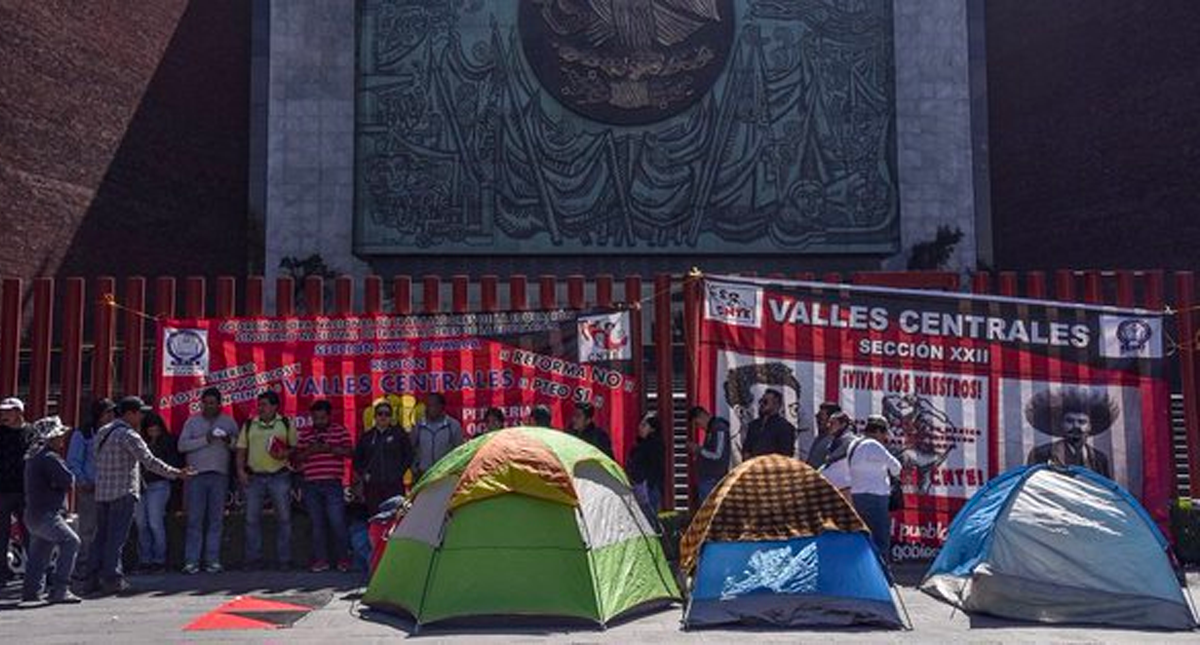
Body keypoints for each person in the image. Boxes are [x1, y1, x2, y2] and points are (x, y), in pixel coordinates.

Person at [84, 396, 191, 596]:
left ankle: (91, 578)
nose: (142, 416)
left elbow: (95, 460)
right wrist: (177, 473)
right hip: (123, 491)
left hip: (103, 492)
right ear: (129, 413)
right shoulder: (129, 435)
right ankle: (112, 578)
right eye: (139, 412)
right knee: (116, 538)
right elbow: (149, 461)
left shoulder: (102, 432)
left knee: (101, 537)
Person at [177, 387, 239, 574]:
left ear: (220, 404)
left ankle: (212, 560)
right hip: (196, 475)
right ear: (201, 403)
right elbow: (182, 446)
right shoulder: (192, 421)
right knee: (195, 519)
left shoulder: (228, 421)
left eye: (213, 403)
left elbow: (239, 446)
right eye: (206, 403)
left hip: (219, 475)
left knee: (216, 520)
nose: (209, 406)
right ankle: (191, 561)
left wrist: (228, 440)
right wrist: (206, 439)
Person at [21, 416, 82, 605]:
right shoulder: (50, 457)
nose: (62, 439)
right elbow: (68, 480)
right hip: (48, 513)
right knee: (71, 541)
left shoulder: (33, 457)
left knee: (39, 553)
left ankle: (32, 591)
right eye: (59, 436)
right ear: (50, 438)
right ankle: (60, 589)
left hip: (33, 513)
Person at [235, 390, 297, 570]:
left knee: (284, 519)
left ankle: (284, 560)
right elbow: (240, 450)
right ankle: (253, 559)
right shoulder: (249, 424)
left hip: (280, 476)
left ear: (274, 406)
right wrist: (240, 471)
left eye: (264, 405)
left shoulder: (285, 423)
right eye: (259, 404)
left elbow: (294, 449)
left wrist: (285, 453)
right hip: (255, 477)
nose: (260, 408)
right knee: (251, 520)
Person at [296, 400, 353, 573]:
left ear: (329, 416)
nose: (318, 420)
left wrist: (330, 448)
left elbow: (350, 452)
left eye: (321, 417)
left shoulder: (339, 431)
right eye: (315, 417)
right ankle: (321, 560)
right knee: (317, 523)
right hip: (311, 484)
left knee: (337, 522)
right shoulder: (305, 434)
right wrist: (311, 451)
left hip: (332, 483)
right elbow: (297, 458)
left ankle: (343, 559)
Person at [66, 398, 114, 580]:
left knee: (108, 529)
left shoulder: (116, 433)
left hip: (110, 487)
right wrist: (82, 480)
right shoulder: (84, 434)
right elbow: (74, 461)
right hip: (90, 488)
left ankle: (103, 565)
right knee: (88, 529)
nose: (110, 416)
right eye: (107, 413)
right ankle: (83, 566)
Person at [1024, 387, 1114, 478]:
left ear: (1090, 426)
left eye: (1082, 422)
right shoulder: (1042, 454)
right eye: (1070, 421)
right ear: (1061, 425)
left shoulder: (1099, 458)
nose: (1076, 426)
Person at [133, 412, 180, 573]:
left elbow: (168, 464)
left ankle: (159, 560)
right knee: (141, 523)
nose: (153, 433)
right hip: (141, 486)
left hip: (159, 485)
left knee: (155, 522)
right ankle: (145, 559)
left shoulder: (168, 442)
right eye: (150, 430)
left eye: (156, 430)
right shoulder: (139, 443)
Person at [849, 415, 902, 560]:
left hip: (858, 496)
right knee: (881, 539)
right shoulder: (873, 445)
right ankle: (885, 578)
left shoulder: (854, 444)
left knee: (864, 539)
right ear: (878, 431)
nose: (885, 437)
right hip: (875, 497)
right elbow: (897, 468)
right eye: (884, 433)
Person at [353, 399, 413, 517]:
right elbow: (357, 459)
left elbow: (409, 455)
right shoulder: (367, 437)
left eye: (387, 414)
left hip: (394, 485)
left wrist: (398, 472)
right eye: (380, 413)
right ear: (375, 417)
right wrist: (364, 474)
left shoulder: (399, 435)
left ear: (391, 417)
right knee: (375, 517)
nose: (383, 417)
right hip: (373, 487)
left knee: (395, 516)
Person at [0, 396, 31, 585]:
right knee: (1, 534)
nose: (3, 414)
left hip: (25, 490)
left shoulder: (31, 432)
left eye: (8, 411)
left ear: (19, 412)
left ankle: (35, 572)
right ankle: (2, 573)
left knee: (29, 532)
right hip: (2, 490)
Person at [411, 393, 463, 479]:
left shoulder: (453, 425)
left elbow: (459, 451)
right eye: (428, 405)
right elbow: (412, 448)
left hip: (444, 475)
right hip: (423, 474)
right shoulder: (419, 425)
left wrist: (453, 470)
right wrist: (414, 468)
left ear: (442, 406)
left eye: (434, 405)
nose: (430, 408)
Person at [687, 406, 730, 504]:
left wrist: (699, 449)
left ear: (702, 416)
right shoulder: (712, 429)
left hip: (713, 478)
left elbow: (718, 455)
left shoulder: (719, 428)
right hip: (708, 477)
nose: (699, 427)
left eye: (698, 424)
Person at [628, 413, 664, 523]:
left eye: (644, 425)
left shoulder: (654, 444)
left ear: (652, 429)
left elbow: (655, 467)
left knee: (650, 519)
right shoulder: (640, 444)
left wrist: (648, 483)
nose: (640, 428)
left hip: (648, 487)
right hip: (639, 485)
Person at [741, 389, 797, 460]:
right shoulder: (753, 425)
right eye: (761, 401)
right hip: (753, 467)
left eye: (765, 402)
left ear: (776, 404)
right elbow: (746, 448)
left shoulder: (785, 427)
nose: (761, 404)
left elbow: (786, 455)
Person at [817, 412, 855, 496]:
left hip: (844, 487)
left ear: (843, 424)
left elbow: (833, 458)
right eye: (829, 422)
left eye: (832, 423)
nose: (828, 426)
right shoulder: (834, 440)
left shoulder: (849, 440)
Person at [806, 402, 842, 468]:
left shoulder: (835, 442)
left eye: (821, 418)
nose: (817, 421)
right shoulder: (819, 438)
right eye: (817, 417)